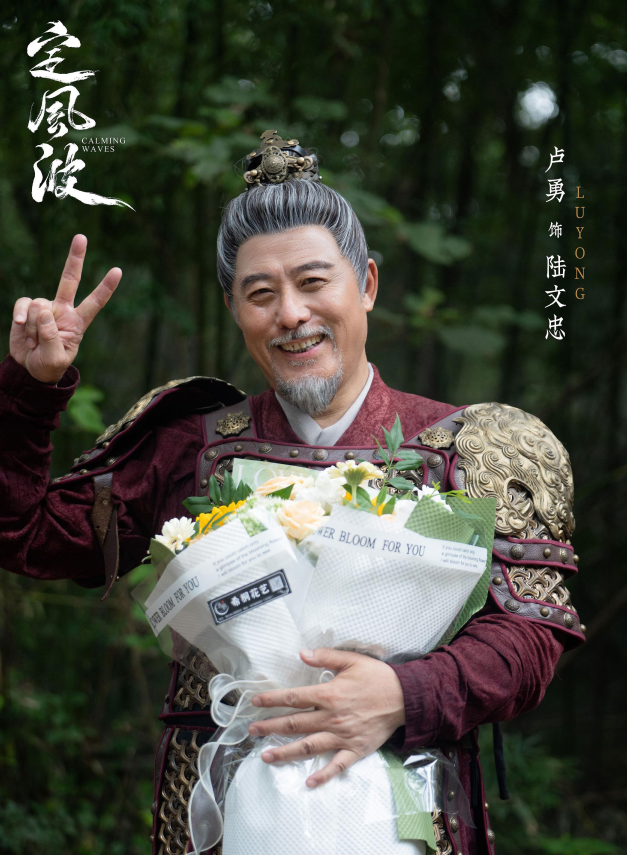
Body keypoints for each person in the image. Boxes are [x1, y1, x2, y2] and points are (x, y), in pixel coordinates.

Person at [0, 130, 584, 855]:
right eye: (261, 293)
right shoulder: (189, 447)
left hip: (413, 809)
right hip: (218, 816)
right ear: (234, 309)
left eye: (313, 282)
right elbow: (27, 534)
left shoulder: (469, 449)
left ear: (366, 285)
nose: (291, 314)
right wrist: (30, 392)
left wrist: (405, 694)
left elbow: (531, 636)